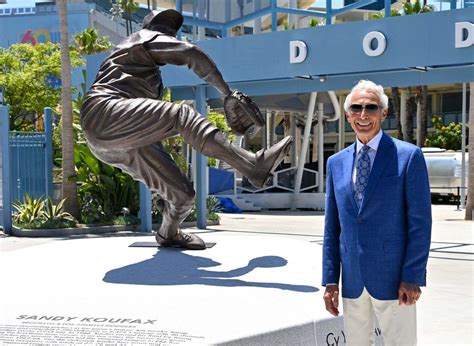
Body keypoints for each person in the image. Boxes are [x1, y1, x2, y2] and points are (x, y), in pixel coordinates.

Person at [80, 9, 292, 250]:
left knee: (182, 195)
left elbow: (146, 126)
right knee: (181, 115)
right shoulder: (138, 39)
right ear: (150, 29)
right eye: (163, 28)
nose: (168, 33)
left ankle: (168, 233)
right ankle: (251, 165)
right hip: (104, 112)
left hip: (120, 138)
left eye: (172, 30)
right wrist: (227, 93)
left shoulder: (150, 79)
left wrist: (159, 181)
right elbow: (190, 54)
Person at [322, 80, 432, 345]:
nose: (363, 115)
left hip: (395, 281)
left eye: (371, 108)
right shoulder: (335, 163)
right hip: (353, 281)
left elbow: (420, 224)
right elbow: (332, 227)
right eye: (356, 108)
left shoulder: (409, 157)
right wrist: (330, 281)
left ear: (383, 113)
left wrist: (412, 276)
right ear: (348, 115)